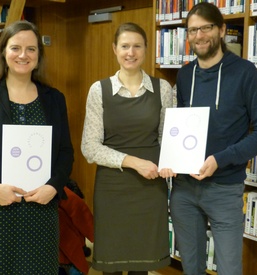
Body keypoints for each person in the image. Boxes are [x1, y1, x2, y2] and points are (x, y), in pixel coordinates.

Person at [159, 3, 257, 275]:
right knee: (191, 267)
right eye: (192, 30)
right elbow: (182, 127)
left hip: (224, 189)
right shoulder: (186, 74)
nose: (199, 36)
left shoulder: (246, 72)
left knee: (229, 269)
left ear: (222, 30)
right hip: (184, 189)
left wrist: (219, 160)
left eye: (206, 28)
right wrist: (171, 158)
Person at [0, 20, 74, 274]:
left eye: (31, 49)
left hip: (39, 212)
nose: (23, 55)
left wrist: (53, 187)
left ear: (39, 55)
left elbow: (65, 153)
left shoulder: (54, 99)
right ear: (3, 53)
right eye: (16, 48)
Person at [81, 22, 173, 275]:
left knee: (142, 265)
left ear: (146, 49)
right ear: (114, 49)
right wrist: (134, 162)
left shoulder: (162, 89)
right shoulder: (99, 90)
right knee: (111, 264)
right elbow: (89, 147)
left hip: (150, 188)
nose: (130, 52)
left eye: (136, 46)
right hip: (113, 189)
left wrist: (173, 161)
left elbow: (168, 139)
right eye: (124, 46)